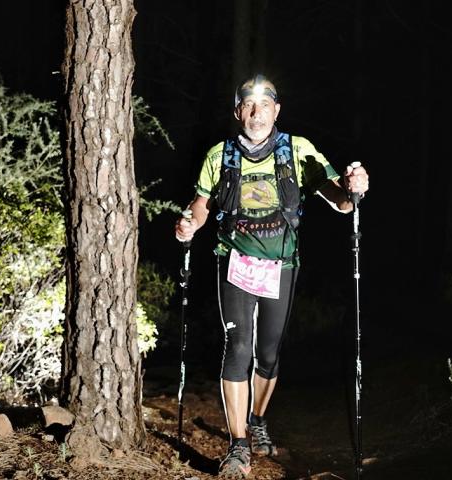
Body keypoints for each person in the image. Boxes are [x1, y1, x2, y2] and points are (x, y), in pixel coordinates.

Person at [174, 74, 369, 479]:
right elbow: (201, 205)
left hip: (281, 263)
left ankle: (258, 417)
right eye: (248, 104)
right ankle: (238, 445)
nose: (256, 112)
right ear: (237, 112)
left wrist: (354, 188)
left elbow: (340, 199)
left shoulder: (298, 151)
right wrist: (189, 225)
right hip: (235, 261)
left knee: (268, 352)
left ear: (276, 110)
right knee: (238, 345)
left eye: (265, 104)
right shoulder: (219, 155)